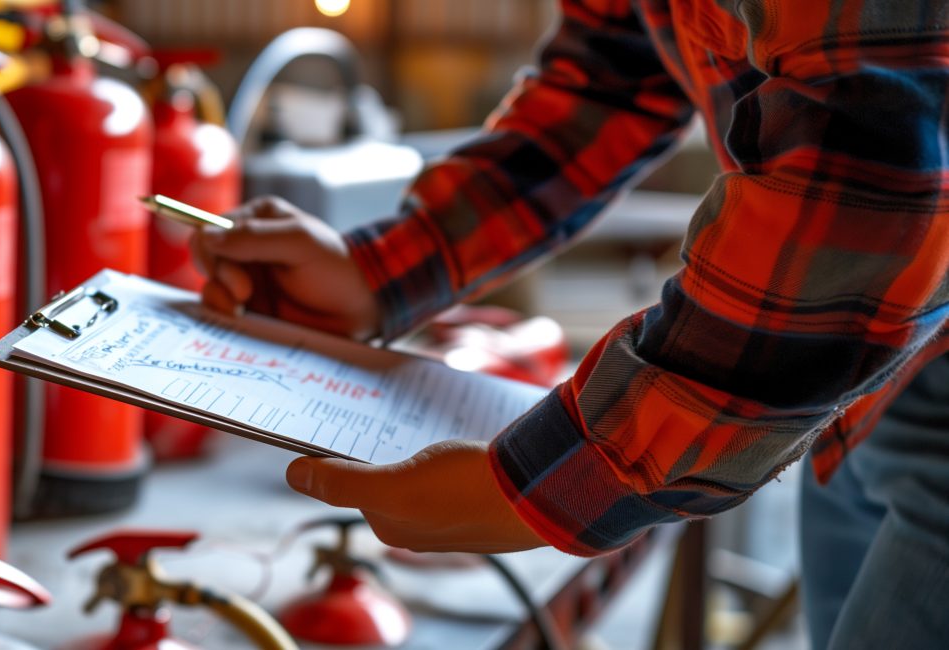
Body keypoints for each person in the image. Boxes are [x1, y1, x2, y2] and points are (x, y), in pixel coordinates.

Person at [190, 1, 949, 648]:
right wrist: (385, 268)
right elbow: (609, 77)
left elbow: (872, 168)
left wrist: (564, 478)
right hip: (860, 395)